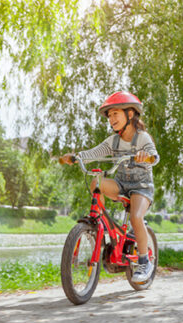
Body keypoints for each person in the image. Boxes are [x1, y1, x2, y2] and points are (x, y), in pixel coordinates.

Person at [60, 91, 159, 282]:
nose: (111, 119)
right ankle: (100, 225)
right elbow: (94, 153)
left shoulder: (142, 138)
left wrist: (147, 157)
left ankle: (144, 261)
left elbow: (155, 156)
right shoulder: (112, 141)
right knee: (97, 182)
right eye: (109, 115)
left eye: (116, 114)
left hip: (141, 187)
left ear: (130, 114)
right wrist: (76, 157)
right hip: (121, 184)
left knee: (136, 216)